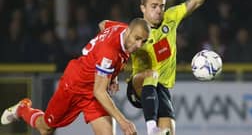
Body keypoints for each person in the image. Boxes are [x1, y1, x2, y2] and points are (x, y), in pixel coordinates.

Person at [99, 0, 212, 135]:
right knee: (151, 74)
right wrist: (112, 76)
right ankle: (151, 128)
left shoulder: (170, 18)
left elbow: (197, 0)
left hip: (162, 90)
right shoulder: (134, 30)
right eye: (153, 6)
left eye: (161, 6)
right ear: (142, 8)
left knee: (169, 132)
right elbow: (104, 26)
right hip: (138, 86)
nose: (159, 10)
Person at [1, 18, 150, 135]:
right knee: (45, 128)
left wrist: (113, 75)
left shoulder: (121, 29)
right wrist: (123, 121)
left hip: (93, 92)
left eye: (143, 41)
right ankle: (22, 109)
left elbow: (103, 24)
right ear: (129, 30)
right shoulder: (109, 52)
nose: (138, 44)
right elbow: (100, 90)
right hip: (74, 85)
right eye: (137, 38)